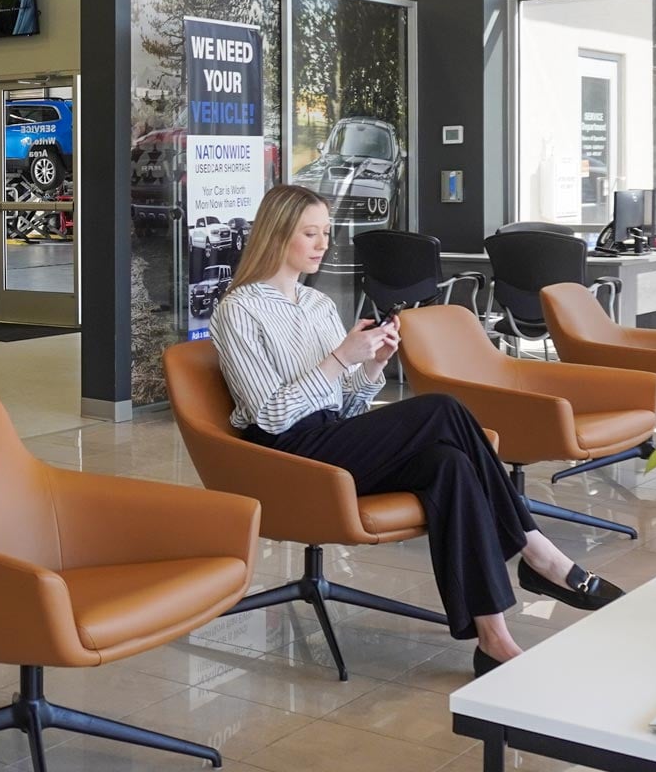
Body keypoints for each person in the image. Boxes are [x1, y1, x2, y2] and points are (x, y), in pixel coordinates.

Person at [208, 184, 624, 677]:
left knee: (450, 465)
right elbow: (270, 417)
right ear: (277, 235)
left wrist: (369, 366)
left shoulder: (316, 306)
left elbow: (347, 406)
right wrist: (340, 357)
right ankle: (537, 553)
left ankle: (493, 639)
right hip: (285, 453)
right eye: (310, 233)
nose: (323, 244)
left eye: (326, 233)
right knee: (442, 409)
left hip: (331, 436)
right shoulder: (237, 310)